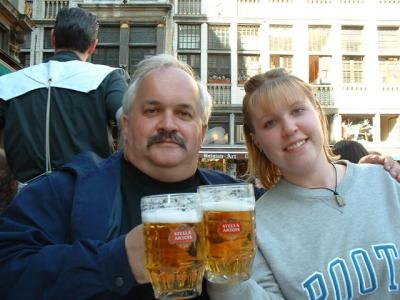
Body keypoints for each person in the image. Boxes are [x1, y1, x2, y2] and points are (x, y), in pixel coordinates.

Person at [0, 57, 397, 300]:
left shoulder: (240, 201)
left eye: (184, 113)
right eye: (152, 111)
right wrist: (116, 260)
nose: (168, 124)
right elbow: (8, 273)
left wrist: (379, 175)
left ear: (203, 128)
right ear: (125, 123)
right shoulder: (66, 190)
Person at [208, 68, 400, 299]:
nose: (289, 129)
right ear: (256, 140)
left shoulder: (386, 181)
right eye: (270, 123)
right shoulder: (255, 225)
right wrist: (222, 272)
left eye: (297, 110)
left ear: (318, 113)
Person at [0, 7, 128, 184]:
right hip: (87, 193)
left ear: (52, 38)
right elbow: (130, 121)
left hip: (25, 200)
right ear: (93, 46)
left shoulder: (8, 84)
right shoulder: (107, 78)